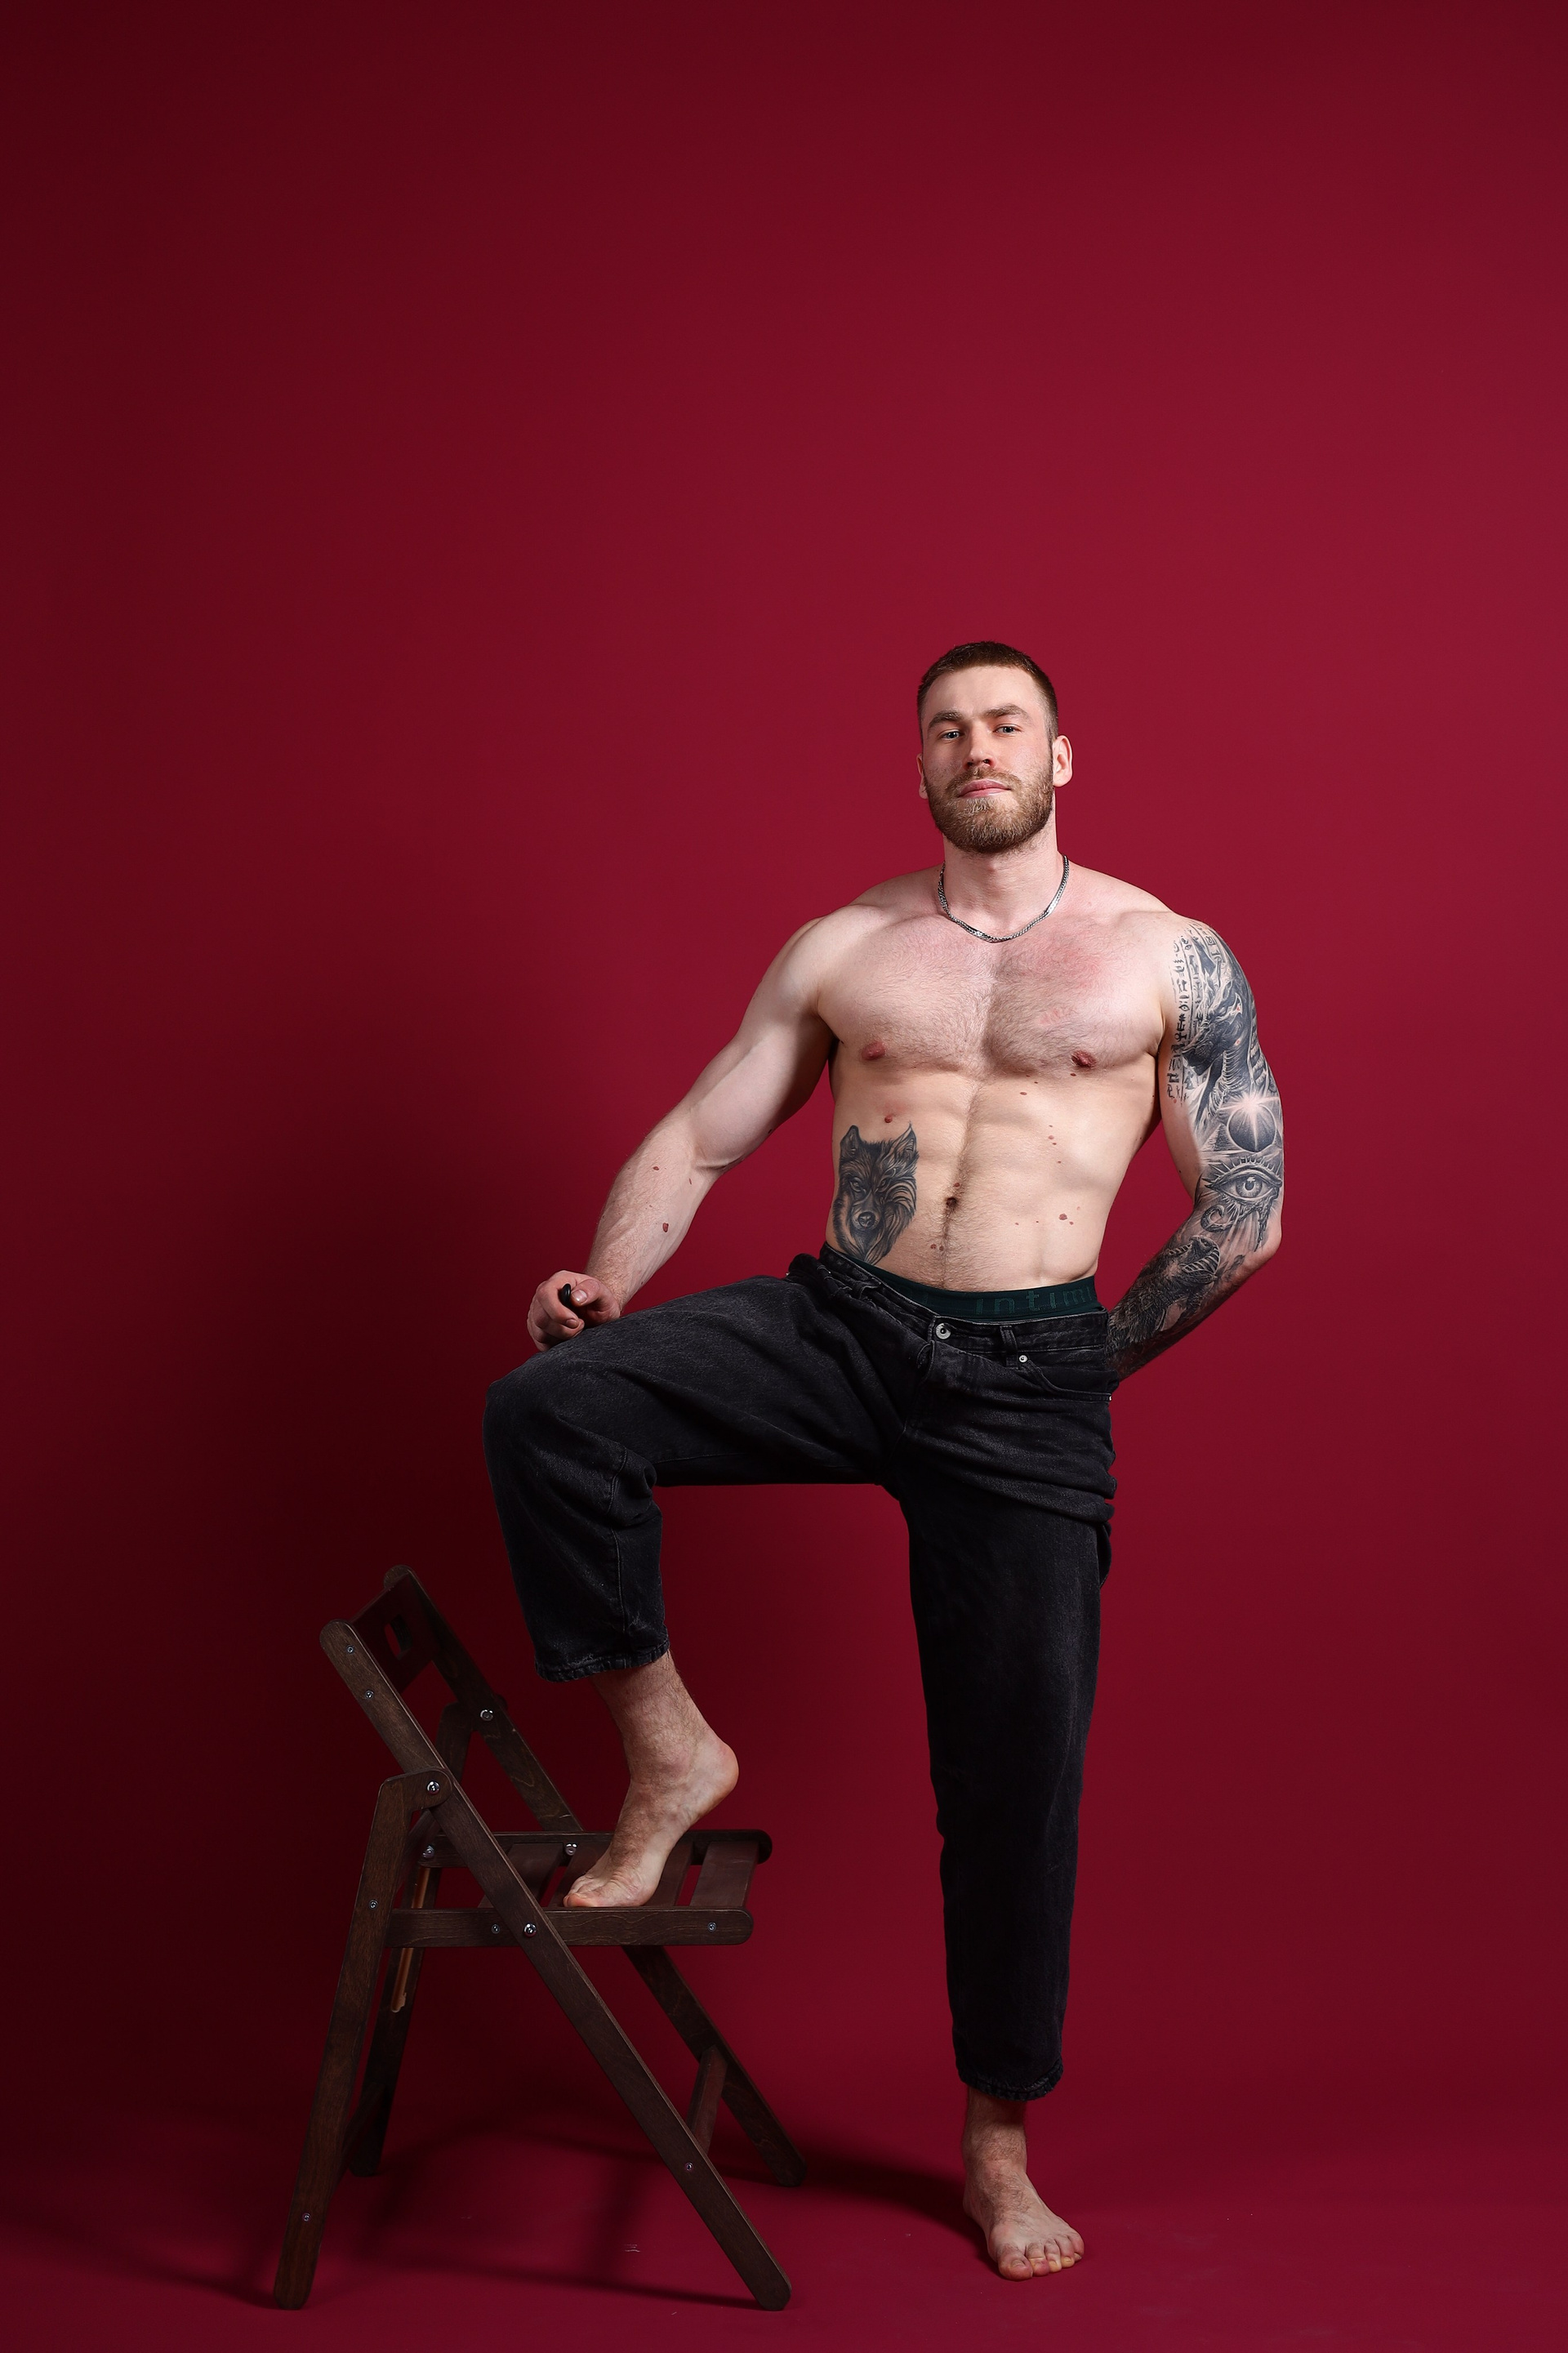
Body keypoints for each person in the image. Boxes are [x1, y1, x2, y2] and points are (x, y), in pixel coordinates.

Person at [483, 640, 1284, 2282]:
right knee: (550, 1408)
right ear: (918, 763)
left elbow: (1248, 1203)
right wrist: (607, 1277)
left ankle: (996, 2141)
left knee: (1012, 1777)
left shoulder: (1164, 955)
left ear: (1061, 757)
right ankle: (670, 1751)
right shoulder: (849, 947)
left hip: (1031, 1372)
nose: (978, 747)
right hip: (846, 1324)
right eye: (948, 729)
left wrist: (1088, 1363)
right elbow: (702, 1130)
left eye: (1007, 725)